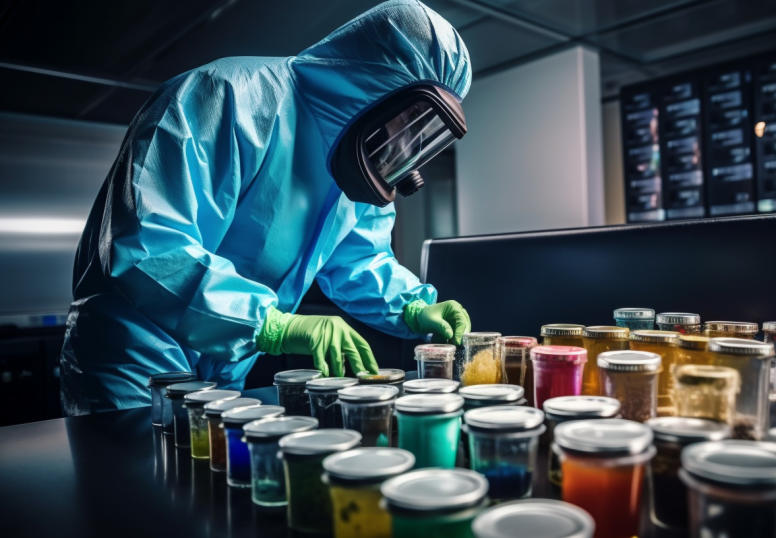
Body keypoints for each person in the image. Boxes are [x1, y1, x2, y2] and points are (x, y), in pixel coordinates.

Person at [59, 0, 472, 415]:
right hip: (133, 364)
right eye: (413, 120)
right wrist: (271, 324)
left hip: (223, 374)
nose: (407, 147)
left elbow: (358, 260)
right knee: (136, 476)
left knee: (208, 475)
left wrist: (413, 307)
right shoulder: (224, 97)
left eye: (424, 133)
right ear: (378, 82)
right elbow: (150, 248)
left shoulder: (358, 159)